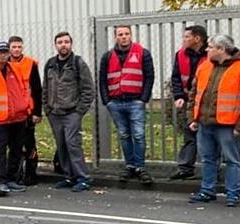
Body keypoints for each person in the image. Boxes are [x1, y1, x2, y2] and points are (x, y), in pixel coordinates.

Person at [187, 34, 240, 207]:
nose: (207, 49)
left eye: (211, 46)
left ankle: (232, 193)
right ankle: (207, 190)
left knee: (231, 160)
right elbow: (194, 95)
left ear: (221, 49)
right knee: (208, 158)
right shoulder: (204, 67)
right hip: (206, 123)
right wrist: (193, 118)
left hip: (228, 125)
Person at [98, 25, 155, 185]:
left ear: (131, 35)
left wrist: (143, 99)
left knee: (138, 135)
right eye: (120, 34)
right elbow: (102, 79)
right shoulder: (108, 56)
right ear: (115, 37)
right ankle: (130, 165)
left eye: (126, 34)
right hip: (116, 102)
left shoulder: (143, 53)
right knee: (124, 135)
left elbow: (149, 77)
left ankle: (140, 167)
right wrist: (107, 101)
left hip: (135, 101)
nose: (124, 37)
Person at [0, 41, 32, 197]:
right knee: (0, 152)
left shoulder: (16, 68)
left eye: (5, 52)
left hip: (18, 118)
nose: (3, 55)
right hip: (0, 120)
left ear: (9, 54)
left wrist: (26, 107)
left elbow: (25, 89)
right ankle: (1, 182)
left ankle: (11, 179)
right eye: (0, 52)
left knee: (16, 151)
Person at [43, 32, 94, 192]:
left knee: (73, 144)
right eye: (60, 42)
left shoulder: (78, 63)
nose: (63, 45)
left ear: (71, 44)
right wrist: (47, 108)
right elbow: (45, 88)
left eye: (66, 42)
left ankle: (83, 177)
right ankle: (69, 176)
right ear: (55, 45)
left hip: (72, 112)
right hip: (54, 113)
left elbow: (88, 89)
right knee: (62, 145)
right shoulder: (50, 64)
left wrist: (79, 111)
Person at [169, 25, 208, 180]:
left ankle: (210, 170)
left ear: (197, 39)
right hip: (189, 102)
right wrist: (179, 95)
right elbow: (176, 77)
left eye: (187, 37)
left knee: (209, 137)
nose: (184, 40)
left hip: (206, 102)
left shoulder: (211, 55)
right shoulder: (180, 55)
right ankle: (185, 168)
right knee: (189, 135)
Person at [7, 36, 43, 186]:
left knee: (29, 145)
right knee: (14, 145)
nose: (16, 50)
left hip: (27, 111)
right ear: (9, 48)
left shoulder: (30, 64)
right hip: (10, 112)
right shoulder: (4, 64)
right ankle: (15, 174)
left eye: (19, 47)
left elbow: (37, 90)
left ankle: (31, 173)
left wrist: (37, 112)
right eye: (14, 47)